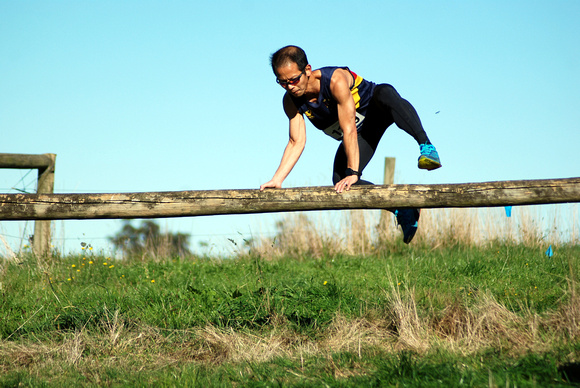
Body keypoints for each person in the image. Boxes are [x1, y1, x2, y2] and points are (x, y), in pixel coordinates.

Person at [260, 45, 441, 244]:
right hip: (362, 132)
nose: (290, 87)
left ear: (308, 70)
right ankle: (403, 208)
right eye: (282, 82)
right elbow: (296, 141)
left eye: (294, 79)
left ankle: (427, 147)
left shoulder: (334, 80)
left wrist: (354, 173)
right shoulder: (291, 102)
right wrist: (277, 179)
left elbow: (348, 129)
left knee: (386, 92)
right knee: (340, 180)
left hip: (376, 109)